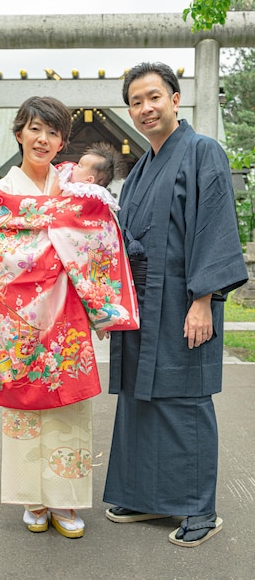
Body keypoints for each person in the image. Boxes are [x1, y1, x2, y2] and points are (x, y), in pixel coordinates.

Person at [0, 96, 139, 539]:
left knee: (68, 407)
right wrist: (55, 243)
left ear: (62, 141)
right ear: (19, 133)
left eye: (52, 132)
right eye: (34, 129)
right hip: (19, 320)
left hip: (65, 314)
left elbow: (99, 238)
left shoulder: (76, 190)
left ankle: (65, 501)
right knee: (26, 410)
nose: (42, 139)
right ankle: (32, 498)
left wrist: (58, 237)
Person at [103, 62, 248, 546]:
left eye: (153, 97)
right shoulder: (141, 168)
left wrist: (204, 299)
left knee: (184, 399)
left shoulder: (203, 151)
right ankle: (146, 497)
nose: (145, 108)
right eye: (136, 102)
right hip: (142, 302)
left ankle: (199, 510)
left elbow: (212, 226)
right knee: (140, 397)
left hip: (185, 299)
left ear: (174, 98)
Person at [50, 142, 120, 213]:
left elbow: (53, 197)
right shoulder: (102, 195)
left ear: (89, 179)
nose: (74, 167)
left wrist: (61, 176)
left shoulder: (76, 189)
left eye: (79, 166)